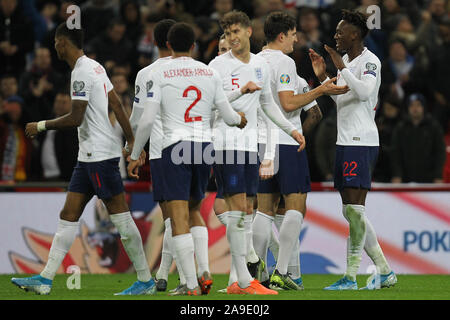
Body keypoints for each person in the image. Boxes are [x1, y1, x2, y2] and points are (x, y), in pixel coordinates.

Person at [11, 23, 155, 296]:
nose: (54, 46)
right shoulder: (95, 66)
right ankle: (45, 278)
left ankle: (145, 280)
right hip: (88, 157)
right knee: (68, 214)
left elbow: (76, 117)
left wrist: (40, 125)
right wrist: (131, 139)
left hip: (100, 158)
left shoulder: (81, 72)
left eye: (56, 42)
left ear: (63, 42)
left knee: (122, 220)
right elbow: (115, 103)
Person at [127, 22, 247, 296]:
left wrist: (135, 155)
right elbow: (228, 116)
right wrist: (239, 120)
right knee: (195, 210)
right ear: (193, 45)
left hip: (174, 146)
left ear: (168, 46)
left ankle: (191, 284)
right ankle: (203, 273)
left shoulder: (159, 72)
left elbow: (145, 120)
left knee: (177, 216)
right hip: (204, 147)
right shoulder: (209, 72)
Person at [208, 10, 307, 295]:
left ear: (249, 32)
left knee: (247, 211)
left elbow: (268, 106)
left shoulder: (260, 67)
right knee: (239, 212)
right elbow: (214, 106)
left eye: (236, 31)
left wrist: (290, 130)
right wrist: (239, 92)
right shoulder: (217, 65)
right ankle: (245, 276)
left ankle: (238, 280)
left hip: (250, 146)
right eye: (227, 33)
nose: (232, 37)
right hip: (227, 144)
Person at [253, 11, 348, 290]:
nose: (295, 39)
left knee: (264, 209)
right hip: (284, 141)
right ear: (281, 36)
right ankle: (282, 272)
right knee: (295, 205)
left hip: (259, 142)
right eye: (293, 34)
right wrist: (320, 89)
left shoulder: (253, 62)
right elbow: (289, 103)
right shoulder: (283, 62)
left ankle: (257, 276)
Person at [309, 9, 397, 290]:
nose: (336, 35)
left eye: (340, 31)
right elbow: (341, 101)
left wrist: (341, 68)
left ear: (355, 34)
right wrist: (325, 78)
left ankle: (351, 276)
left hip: (362, 140)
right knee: (351, 211)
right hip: (345, 141)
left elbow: (363, 93)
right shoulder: (346, 60)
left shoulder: (370, 61)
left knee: (355, 210)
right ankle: (384, 270)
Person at [391, 93, 446, 183]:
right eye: (412, 105)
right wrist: (397, 174)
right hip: (405, 179)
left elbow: (440, 153)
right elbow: (395, 153)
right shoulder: (400, 128)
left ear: (423, 107)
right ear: (408, 108)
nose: (415, 108)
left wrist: (438, 175)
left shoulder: (433, 127)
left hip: (429, 179)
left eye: (418, 105)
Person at [30, 91, 78, 181]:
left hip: (64, 178)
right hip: (44, 176)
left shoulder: (74, 127)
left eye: (63, 102)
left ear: (72, 105)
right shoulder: (46, 122)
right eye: (57, 101)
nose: (59, 105)